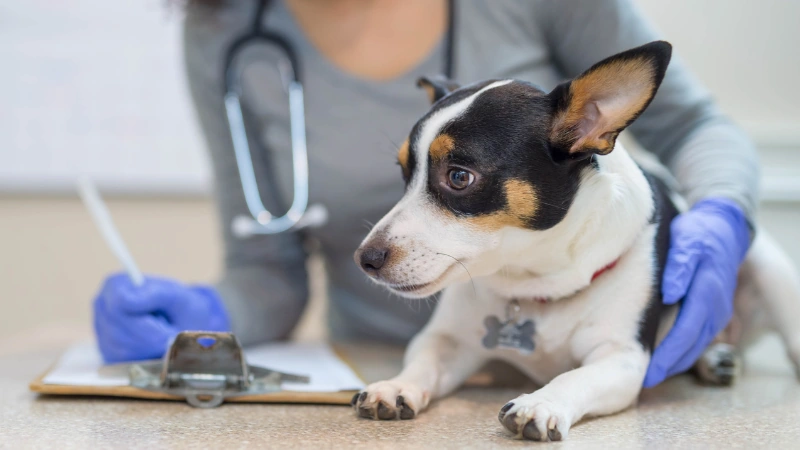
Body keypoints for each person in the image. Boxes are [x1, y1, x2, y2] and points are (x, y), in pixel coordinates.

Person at [93, 0, 757, 388]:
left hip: (584, 350)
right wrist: (202, 316)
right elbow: (266, 267)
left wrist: (723, 215)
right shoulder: (224, 24)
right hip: (389, 372)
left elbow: (695, 125)